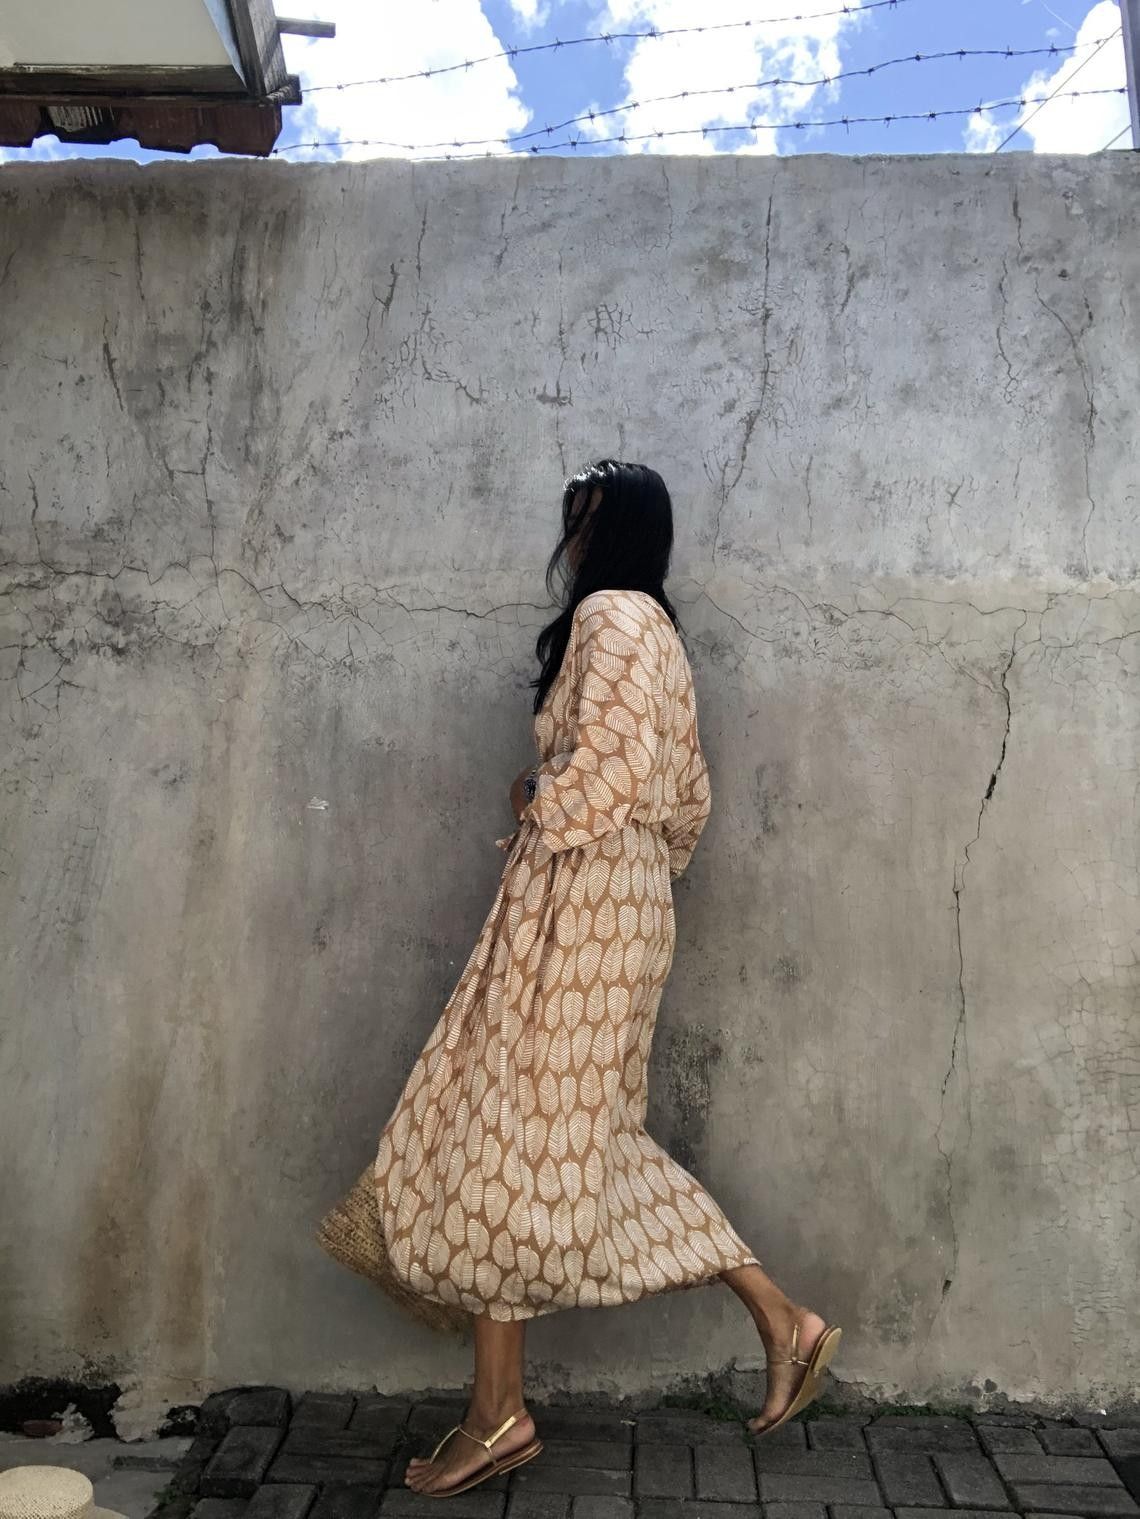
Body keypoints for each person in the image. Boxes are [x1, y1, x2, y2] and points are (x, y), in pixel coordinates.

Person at [370, 459, 841, 1497]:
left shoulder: (612, 615)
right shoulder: (658, 631)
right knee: (561, 1137)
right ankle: (779, 1319)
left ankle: (500, 1416)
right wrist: (620, 859)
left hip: (580, 896)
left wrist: (540, 796)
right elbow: (688, 797)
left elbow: (609, 772)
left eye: (583, 521)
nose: (572, 541)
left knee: (510, 1131)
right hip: (620, 896)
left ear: (615, 532)